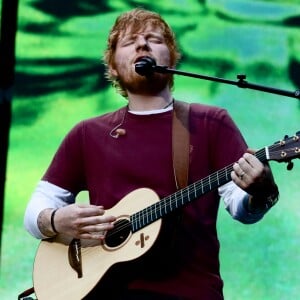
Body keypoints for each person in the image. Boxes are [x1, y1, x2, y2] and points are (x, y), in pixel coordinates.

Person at [24, 8, 279, 300]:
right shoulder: (87, 133)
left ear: (171, 59)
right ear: (114, 67)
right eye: (130, 41)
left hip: (189, 292)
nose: (142, 44)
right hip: (101, 292)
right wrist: (55, 221)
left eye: (154, 40)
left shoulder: (210, 122)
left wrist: (262, 191)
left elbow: (241, 208)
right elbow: (38, 207)